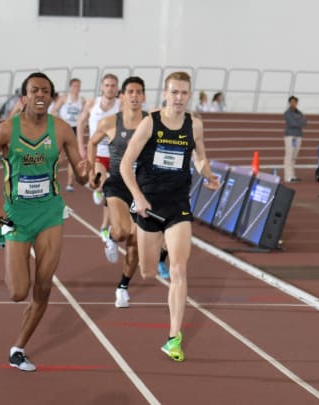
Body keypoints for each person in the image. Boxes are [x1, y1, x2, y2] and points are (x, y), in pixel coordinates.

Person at [0, 72, 90, 372]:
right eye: (34, 90)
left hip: (50, 212)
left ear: (52, 98)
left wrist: (84, 171)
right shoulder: (5, 131)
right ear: (24, 97)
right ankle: (9, 241)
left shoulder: (62, 129)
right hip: (14, 214)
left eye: (46, 91)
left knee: (43, 286)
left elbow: (81, 176)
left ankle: (18, 347)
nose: (41, 95)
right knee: (17, 292)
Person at [120, 71, 220, 362]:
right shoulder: (150, 123)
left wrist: (208, 174)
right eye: (174, 92)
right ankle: (160, 244)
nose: (179, 98)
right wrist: (137, 197)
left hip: (178, 204)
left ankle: (173, 337)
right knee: (148, 272)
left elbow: (199, 156)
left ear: (189, 95)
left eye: (184, 93)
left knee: (178, 269)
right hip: (149, 205)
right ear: (165, 93)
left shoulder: (195, 125)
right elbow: (126, 165)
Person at [87, 77, 148, 306]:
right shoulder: (110, 122)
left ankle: (122, 287)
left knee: (136, 242)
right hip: (118, 184)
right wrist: (93, 170)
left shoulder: (151, 123)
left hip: (143, 188)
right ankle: (111, 237)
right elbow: (92, 143)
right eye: (130, 91)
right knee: (123, 232)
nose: (134, 96)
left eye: (138, 92)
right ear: (122, 96)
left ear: (143, 97)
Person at [77, 73, 120, 241]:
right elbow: (80, 124)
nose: (110, 88)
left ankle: (104, 226)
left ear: (117, 88)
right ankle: (98, 188)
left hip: (115, 154)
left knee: (110, 192)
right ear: (102, 87)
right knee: (100, 183)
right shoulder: (92, 103)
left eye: (113, 85)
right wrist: (81, 146)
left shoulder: (121, 105)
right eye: (107, 85)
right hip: (97, 153)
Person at [51, 78, 86, 192]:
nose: (77, 88)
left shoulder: (83, 100)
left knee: (73, 157)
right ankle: (51, 176)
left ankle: (69, 183)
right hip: (64, 128)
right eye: (75, 86)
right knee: (60, 156)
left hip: (75, 130)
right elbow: (53, 111)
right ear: (70, 87)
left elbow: (86, 115)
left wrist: (83, 124)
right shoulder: (64, 98)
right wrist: (59, 122)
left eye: (78, 86)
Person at [283, 95, 307, 183]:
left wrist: (299, 122)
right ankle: (288, 176)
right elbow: (292, 123)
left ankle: (292, 175)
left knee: (294, 156)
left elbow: (305, 122)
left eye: (295, 102)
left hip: (298, 136)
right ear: (289, 103)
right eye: (292, 102)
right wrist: (299, 122)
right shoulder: (287, 113)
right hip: (291, 136)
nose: (293, 104)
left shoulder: (299, 113)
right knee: (289, 155)